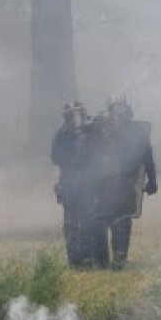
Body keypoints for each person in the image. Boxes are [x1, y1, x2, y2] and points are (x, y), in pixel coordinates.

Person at [88, 95, 158, 270]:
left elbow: (146, 157)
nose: (118, 112)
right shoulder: (98, 127)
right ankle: (100, 261)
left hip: (125, 183)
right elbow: (87, 154)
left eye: (121, 108)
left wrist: (152, 180)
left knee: (121, 222)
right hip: (101, 184)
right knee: (98, 221)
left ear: (127, 109)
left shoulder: (137, 132)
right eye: (115, 108)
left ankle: (119, 260)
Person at [50, 101, 94, 260]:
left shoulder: (93, 131)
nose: (75, 118)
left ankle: (90, 256)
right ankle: (75, 259)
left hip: (90, 182)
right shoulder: (61, 135)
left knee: (90, 221)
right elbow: (55, 158)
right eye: (71, 115)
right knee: (72, 223)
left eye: (78, 114)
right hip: (70, 183)